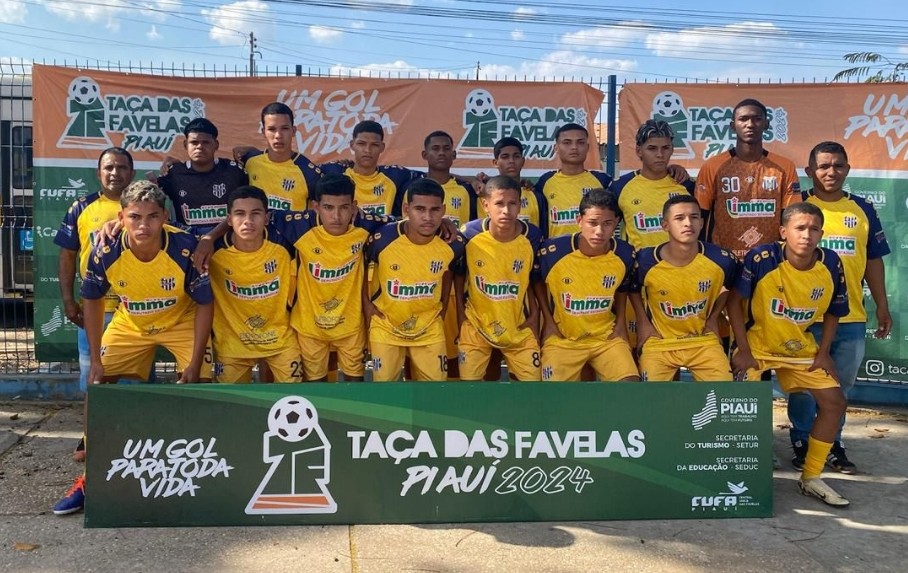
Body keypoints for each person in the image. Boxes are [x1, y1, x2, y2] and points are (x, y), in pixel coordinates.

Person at [52, 181, 214, 516]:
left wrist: (196, 362)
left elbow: (204, 306)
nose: (144, 225)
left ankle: (201, 474)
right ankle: (91, 479)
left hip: (180, 320)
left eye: (152, 217)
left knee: (206, 382)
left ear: (164, 217)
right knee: (96, 385)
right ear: (121, 217)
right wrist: (95, 359)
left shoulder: (185, 247)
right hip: (132, 323)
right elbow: (93, 301)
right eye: (135, 217)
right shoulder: (105, 249)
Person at [728, 202, 851, 507]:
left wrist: (824, 354)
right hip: (757, 345)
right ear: (784, 232)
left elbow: (835, 313)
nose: (807, 235)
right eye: (800, 228)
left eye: (813, 229)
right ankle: (743, 474)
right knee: (743, 408)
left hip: (800, 348)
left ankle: (810, 478)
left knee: (834, 401)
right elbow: (733, 304)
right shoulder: (763, 258)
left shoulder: (832, 263)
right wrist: (742, 350)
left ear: (821, 233)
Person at [786, 142, 892, 473]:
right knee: (804, 386)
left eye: (838, 166)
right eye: (823, 166)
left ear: (847, 169)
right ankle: (802, 440)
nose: (831, 172)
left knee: (839, 386)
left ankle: (834, 442)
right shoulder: (797, 207)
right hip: (802, 318)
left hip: (851, 318)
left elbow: (873, 261)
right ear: (809, 171)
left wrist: (882, 307)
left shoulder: (862, 209)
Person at [54, 147, 135, 462]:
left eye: (122, 167)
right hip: (96, 309)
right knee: (94, 379)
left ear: (132, 172)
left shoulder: (143, 206)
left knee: (132, 379)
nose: (115, 173)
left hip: (135, 310)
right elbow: (67, 255)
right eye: (109, 167)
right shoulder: (82, 207)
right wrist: (67, 299)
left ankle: (132, 438)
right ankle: (92, 438)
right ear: (99, 172)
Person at [270, 173, 390, 381]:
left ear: (354, 206)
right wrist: (210, 238)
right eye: (328, 208)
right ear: (315, 207)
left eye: (344, 208)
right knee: (316, 386)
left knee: (355, 384)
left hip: (351, 325)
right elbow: (252, 211)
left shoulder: (366, 224)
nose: (337, 216)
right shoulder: (300, 226)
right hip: (309, 326)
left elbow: (406, 224)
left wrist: (445, 223)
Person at [363, 178, 466, 381]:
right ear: (406, 208)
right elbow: (360, 267)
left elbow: (449, 273)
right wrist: (366, 304)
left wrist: (443, 307)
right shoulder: (382, 238)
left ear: (444, 210)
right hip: (386, 326)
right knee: (384, 391)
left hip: (429, 327)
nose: (428, 217)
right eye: (420, 209)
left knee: (435, 389)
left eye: (435, 210)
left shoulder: (453, 244)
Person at [630, 195, 738, 381]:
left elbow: (733, 286)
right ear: (665, 225)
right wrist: (644, 324)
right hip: (660, 341)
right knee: (649, 400)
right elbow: (631, 289)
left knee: (722, 393)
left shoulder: (722, 259)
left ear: (702, 223)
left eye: (694, 217)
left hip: (703, 340)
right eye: (679, 218)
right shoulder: (645, 260)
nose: (688, 223)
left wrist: (713, 317)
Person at [536, 188, 638, 382]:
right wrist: (548, 321)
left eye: (607, 224)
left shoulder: (625, 254)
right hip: (563, 339)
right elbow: (536, 282)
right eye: (592, 223)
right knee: (555, 397)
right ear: (579, 221)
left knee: (630, 387)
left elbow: (623, 287)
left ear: (617, 223)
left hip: (605, 338)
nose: (599, 231)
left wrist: (621, 324)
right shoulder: (553, 252)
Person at [611, 120, 695, 348]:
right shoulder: (620, 188)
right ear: (639, 151)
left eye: (665, 148)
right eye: (652, 148)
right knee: (633, 350)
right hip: (637, 283)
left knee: (672, 351)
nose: (660, 154)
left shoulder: (684, 186)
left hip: (677, 280)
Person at [207, 186, 301, 383]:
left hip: (280, 340)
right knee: (231, 406)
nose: (248, 221)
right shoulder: (211, 251)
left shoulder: (285, 244)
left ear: (266, 218)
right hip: (232, 344)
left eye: (255, 214)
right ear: (229, 219)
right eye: (240, 214)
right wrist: (207, 238)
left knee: (295, 395)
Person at [455, 176, 543, 381]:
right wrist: (461, 315)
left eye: (512, 204)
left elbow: (534, 279)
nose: (506, 210)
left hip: (519, 326)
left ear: (520, 206)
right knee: (470, 389)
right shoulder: (469, 233)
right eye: (499, 204)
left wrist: (536, 314)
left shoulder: (533, 236)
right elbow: (458, 276)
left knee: (533, 387)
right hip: (475, 324)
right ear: (486, 205)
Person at [695, 98, 801, 260]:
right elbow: (701, 215)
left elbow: (791, 217)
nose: (750, 124)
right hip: (724, 258)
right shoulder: (712, 166)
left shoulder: (784, 167)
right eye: (743, 119)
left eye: (757, 119)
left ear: (766, 124)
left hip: (770, 259)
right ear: (733, 126)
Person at [156, 118, 248, 237]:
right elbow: (154, 203)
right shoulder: (174, 173)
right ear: (185, 145)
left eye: (206, 142)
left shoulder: (234, 171)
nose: (199, 147)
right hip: (188, 241)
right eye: (194, 143)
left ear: (216, 145)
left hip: (227, 240)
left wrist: (253, 151)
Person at [320, 120, 417, 216]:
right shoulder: (333, 172)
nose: (367, 150)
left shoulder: (395, 176)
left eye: (374, 145)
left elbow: (428, 178)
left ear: (382, 147)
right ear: (352, 145)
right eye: (361, 144)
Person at [239, 102, 322, 211]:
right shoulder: (250, 161)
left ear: (293, 131)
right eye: (272, 129)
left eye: (284, 128)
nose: (278, 135)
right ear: (263, 132)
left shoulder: (309, 173)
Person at [534, 123, 612, 237]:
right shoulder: (545, 182)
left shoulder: (603, 181)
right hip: (557, 251)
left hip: (595, 251)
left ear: (587, 147)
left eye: (580, 142)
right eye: (567, 142)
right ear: (556, 148)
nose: (574, 147)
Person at [487, 136, 548, 235]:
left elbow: (543, 232)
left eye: (516, 156)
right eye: (505, 157)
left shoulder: (535, 195)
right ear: (495, 162)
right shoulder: (483, 194)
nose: (511, 161)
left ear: (523, 161)